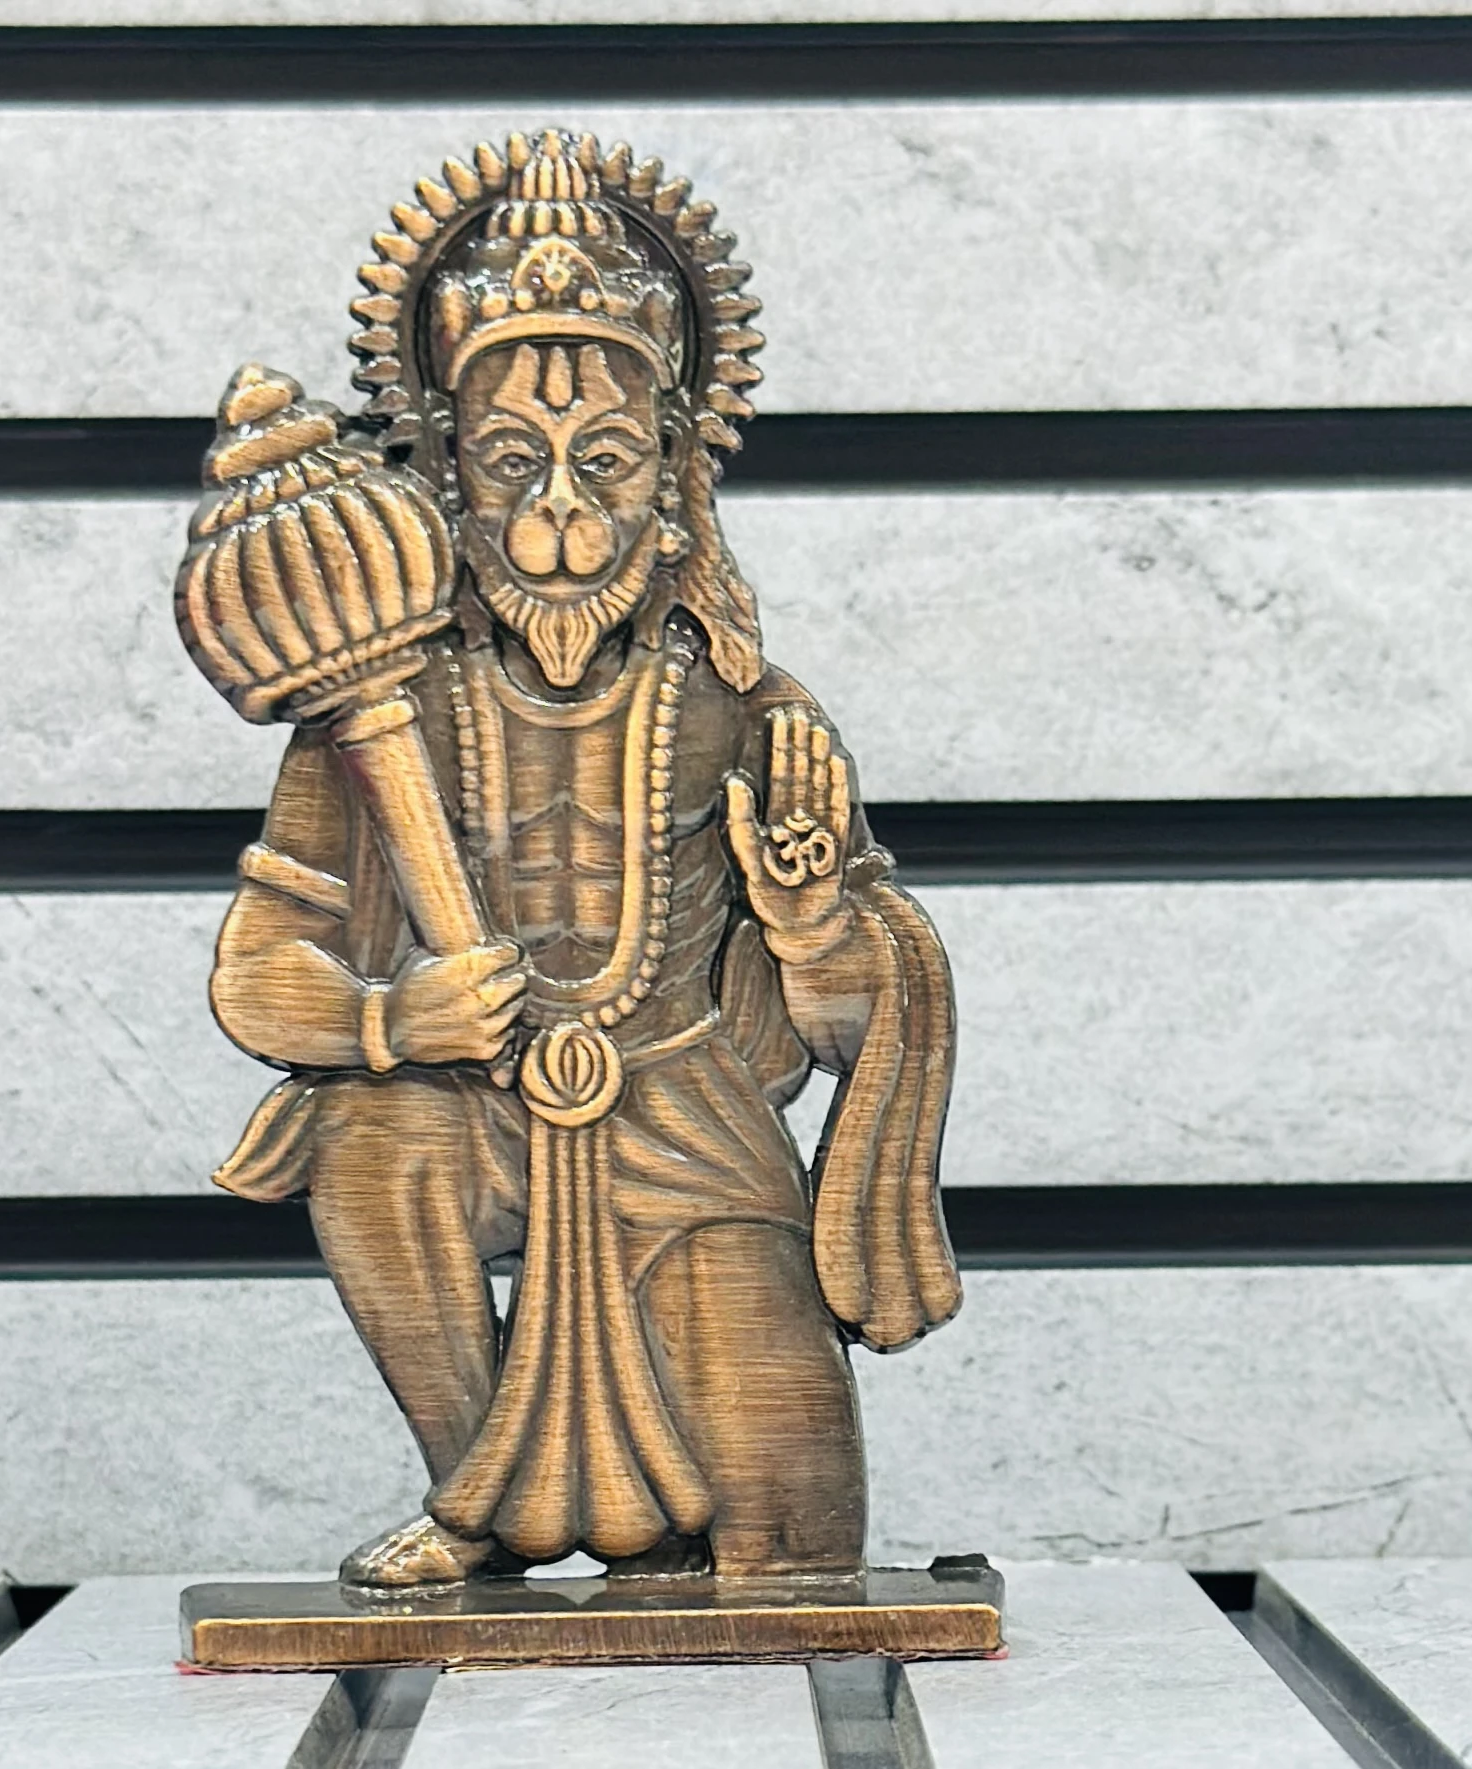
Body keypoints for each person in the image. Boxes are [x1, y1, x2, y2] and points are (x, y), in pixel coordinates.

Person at [187, 129, 960, 1588]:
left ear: (670, 475)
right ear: (448, 479)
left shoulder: (745, 709)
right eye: (512, 463)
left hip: (682, 1115)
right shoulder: (382, 711)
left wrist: (810, 925)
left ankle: (670, 1525)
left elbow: (864, 1017)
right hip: (471, 1115)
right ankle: (479, 1499)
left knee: (796, 1539)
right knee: (365, 1132)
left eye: (602, 460)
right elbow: (257, 976)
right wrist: (393, 1020)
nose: (559, 509)